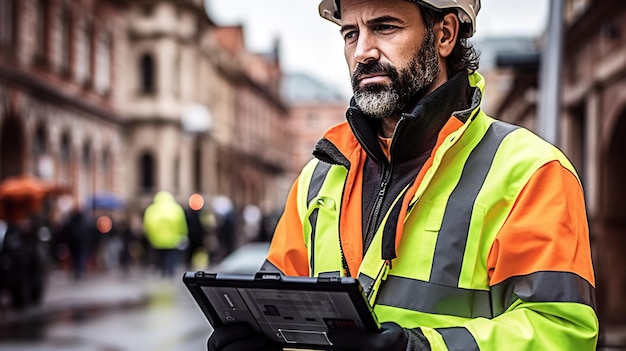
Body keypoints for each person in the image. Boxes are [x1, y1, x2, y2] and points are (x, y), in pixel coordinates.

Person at [207, 0, 599, 350]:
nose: (362, 51)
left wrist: (421, 348)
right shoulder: (318, 178)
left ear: (444, 34)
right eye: (350, 33)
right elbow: (285, 314)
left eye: (385, 27)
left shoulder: (531, 172)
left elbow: (560, 332)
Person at [143, 191, 188, 277]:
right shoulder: (177, 208)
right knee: (171, 257)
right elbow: (182, 224)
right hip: (173, 240)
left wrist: (150, 237)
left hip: (157, 240)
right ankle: (170, 273)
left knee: (160, 257)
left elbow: (148, 225)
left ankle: (162, 272)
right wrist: (183, 234)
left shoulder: (151, 209)